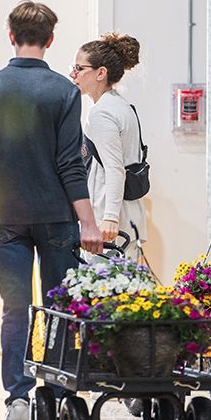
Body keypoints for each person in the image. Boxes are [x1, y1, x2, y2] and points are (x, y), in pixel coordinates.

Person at [0, 0, 103, 420]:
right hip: (55, 218)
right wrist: (88, 221)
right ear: (50, 40)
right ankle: (61, 399)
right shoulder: (64, 92)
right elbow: (70, 163)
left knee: (15, 310)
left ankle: (18, 403)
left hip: (4, 217)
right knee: (60, 309)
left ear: (10, 35)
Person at [72, 33, 148, 261]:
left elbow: (115, 168)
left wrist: (111, 218)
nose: (73, 74)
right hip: (127, 216)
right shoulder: (121, 106)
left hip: (111, 224)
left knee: (103, 292)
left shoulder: (102, 113)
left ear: (100, 73)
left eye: (79, 68)